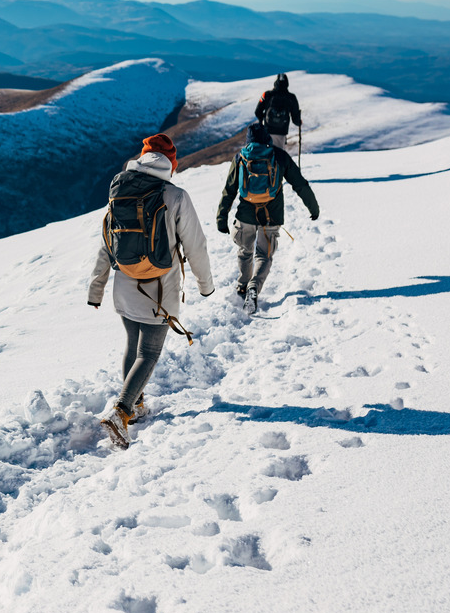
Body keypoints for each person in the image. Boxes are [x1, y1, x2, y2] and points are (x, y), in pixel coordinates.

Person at [88, 133, 214, 450]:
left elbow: (108, 240)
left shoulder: (121, 190)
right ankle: (122, 412)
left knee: (133, 344)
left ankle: (138, 405)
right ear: (171, 162)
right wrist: (205, 285)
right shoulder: (175, 196)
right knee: (149, 354)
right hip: (161, 289)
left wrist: (96, 286)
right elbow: (195, 246)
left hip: (125, 282)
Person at [216, 123, 319, 314]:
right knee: (263, 255)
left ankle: (242, 286)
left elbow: (229, 190)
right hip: (271, 216)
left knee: (244, 251)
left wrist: (221, 217)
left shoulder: (241, 157)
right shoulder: (278, 156)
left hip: (245, 215)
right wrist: (313, 207)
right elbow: (300, 184)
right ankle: (254, 288)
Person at [254, 73, 302, 151]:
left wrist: (263, 120)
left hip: (267, 130)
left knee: (266, 154)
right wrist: (299, 122)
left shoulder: (267, 95)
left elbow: (257, 112)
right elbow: (295, 119)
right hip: (281, 132)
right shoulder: (291, 97)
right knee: (279, 156)